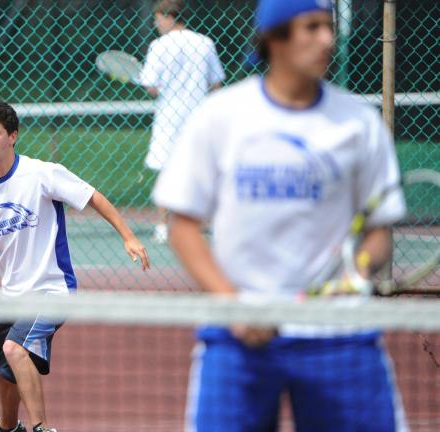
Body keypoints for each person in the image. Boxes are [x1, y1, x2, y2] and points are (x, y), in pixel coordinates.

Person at [153, 0, 408, 430]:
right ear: (274, 38)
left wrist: (354, 277)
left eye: (328, 27)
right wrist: (235, 307)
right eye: (311, 28)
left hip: (340, 336)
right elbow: (183, 225)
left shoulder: (359, 124)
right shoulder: (219, 117)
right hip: (238, 340)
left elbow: (380, 232)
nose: (327, 39)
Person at [0, 99, 150, 432]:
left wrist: (127, 235)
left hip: (53, 289)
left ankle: (41, 428)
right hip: (12, 295)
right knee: (3, 369)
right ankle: (8, 428)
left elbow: (92, 195)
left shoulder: (41, 173)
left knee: (14, 348)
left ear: (13, 136)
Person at [139, 0, 225, 243]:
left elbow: (152, 88)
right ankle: (206, 223)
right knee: (203, 171)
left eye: (157, 19)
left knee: (167, 172)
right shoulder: (205, 43)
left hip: (169, 118)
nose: (156, 24)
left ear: (168, 17)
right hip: (199, 116)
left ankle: (163, 227)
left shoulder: (158, 46)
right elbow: (216, 83)